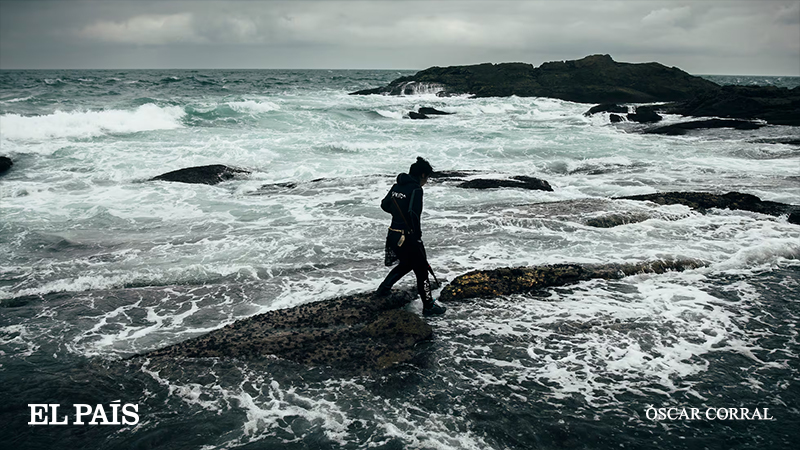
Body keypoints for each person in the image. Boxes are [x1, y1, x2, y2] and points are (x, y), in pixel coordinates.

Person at [375, 157, 446, 316]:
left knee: (407, 264)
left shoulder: (396, 186)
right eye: (427, 177)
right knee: (422, 271)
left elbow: (384, 205)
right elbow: (413, 214)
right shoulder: (416, 190)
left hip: (393, 233)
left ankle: (383, 289)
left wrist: (398, 216)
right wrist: (417, 237)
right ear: (422, 175)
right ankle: (428, 306)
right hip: (408, 237)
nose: (426, 181)